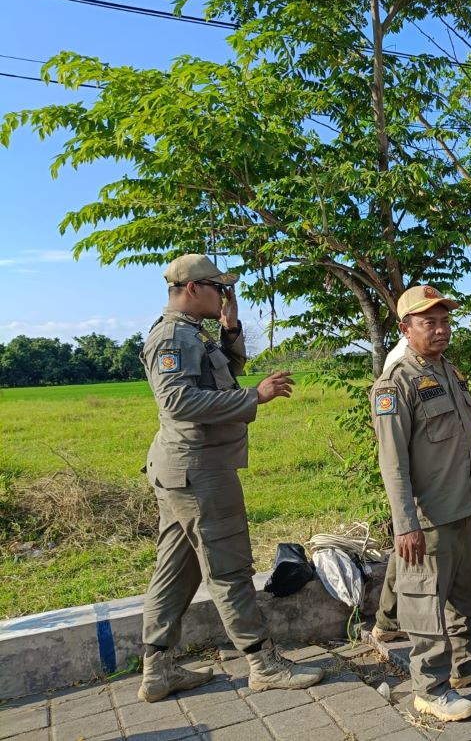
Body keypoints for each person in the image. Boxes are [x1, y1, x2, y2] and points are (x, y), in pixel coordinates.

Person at [138, 254, 323, 703]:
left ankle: (157, 672)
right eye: (219, 287)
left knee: (177, 572)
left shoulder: (193, 334)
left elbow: (224, 371)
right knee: (229, 569)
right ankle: (263, 664)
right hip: (198, 470)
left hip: (186, 469)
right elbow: (179, 401)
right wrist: (253, 398)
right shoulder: (172, 337)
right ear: (192, 288)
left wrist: (232, 327)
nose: (225, 295)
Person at [372, 285, 471, 722]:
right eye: (428, 321)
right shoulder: (396, 384)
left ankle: (467, 668)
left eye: (445, 320)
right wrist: (405, 524)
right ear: (405, 328)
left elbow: (467, 442)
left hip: (463, 504)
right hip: (428, 517)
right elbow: (392, 464)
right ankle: (429, 689)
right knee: (425, 603)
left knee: (465, 598)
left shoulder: (448, 372)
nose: (440, 329)